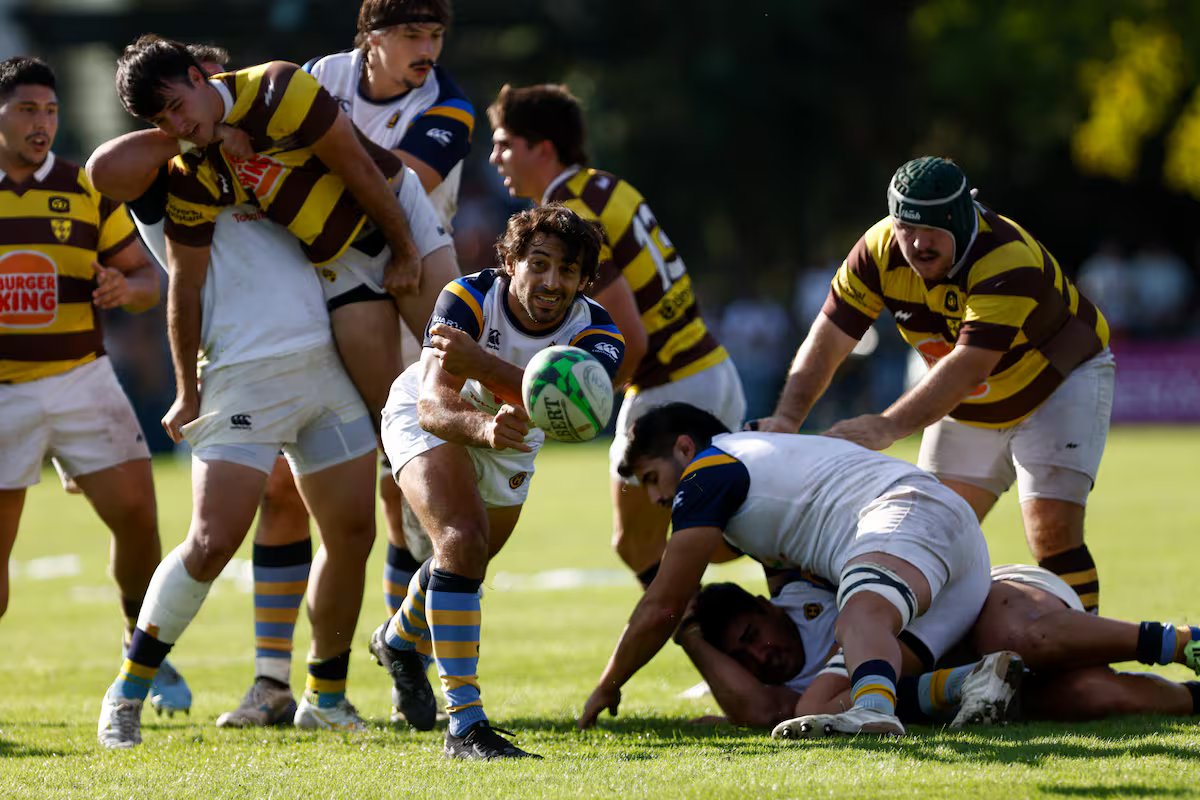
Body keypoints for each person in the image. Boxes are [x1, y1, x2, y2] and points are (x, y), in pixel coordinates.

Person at [92, 41, 392, 748]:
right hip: (241, 373)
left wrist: (239, 126)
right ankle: (128, 688)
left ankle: (325, 693)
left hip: (325, 363)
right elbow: (105, 170)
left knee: (351, 534)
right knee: (211, 539)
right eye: (172, 111)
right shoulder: (171, 175)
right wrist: (192, 126)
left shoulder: (280, 142)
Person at [225, 0, 473, 727]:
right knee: (281, 485)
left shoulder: (448, 107)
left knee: (408, 483)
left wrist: (306, 131)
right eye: (411, 35)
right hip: (316, 282)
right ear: (370, 37)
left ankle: (406, 662)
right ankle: (272, 681)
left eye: (435, 35)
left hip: (403, 274)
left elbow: (383, 183)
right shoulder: (319, 76)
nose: (427, 49)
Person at [756, 156, 1113, 613]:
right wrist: (788, 417)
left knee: (1051, 528)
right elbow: (828, 338)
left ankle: (1088, 654)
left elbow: (969, 366)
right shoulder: (877, 249)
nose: (919, 243)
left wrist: (888, 425)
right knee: (923, 536)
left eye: (935, 227)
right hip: (973, 399)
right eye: (907, 226)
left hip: (1057, 382)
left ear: (965, 216)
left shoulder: (1005, 255)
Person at [370, 204, 625, 759]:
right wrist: (485, 423)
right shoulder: (466, 298)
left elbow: (582, 412)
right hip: (429, 417)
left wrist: (484, 370)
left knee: (466, 560)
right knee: (460, 540)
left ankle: (395, 641)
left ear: (585, 280)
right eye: (538, 264)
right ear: (510, 262)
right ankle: (465, 726)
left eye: (568, 271)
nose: (551, 282)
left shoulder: (599, 332)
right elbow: (436, 405)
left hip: (511, 441)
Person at [578, 402, 992, 738]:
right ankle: (970, 681)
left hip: (910, 511)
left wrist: (608, 683)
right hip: (957, 566)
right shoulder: (752, 489)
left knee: (860, 615)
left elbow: (663, 604)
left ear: (686, 449)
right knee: (815, 706)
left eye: (653, 477)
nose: (655, 497)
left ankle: (872, 713)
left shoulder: (709, 469)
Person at [486, 83, 746, 590]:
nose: (494, 156)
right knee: (720, 533)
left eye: (505, 142)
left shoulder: (569, 213)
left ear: (543, 147)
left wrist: (575, 401)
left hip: (670, 390)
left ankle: (722, 655)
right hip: (710, 369)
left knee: (642, 543)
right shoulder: (605, 186)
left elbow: (630, 336)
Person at [0, 56, 191, 716]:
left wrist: (123, 287)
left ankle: (146, 658)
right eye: (27, 109)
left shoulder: (87, 187)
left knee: (139, 518)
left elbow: (145, 279)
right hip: (3, 396)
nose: (41, 123)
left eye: (50, 111)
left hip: (83, 378)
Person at [680, 566, 1200, 732]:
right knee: (1091, 696)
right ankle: (1193, 697)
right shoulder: (784, 698)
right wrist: (688, 637)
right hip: (983, 681)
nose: (760, 657)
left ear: (764, 604)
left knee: (1022, 639)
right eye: (742, 657)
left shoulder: (810, 580)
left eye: (753, 636)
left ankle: (1182, 642)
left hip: (986, 603)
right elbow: (757, 709)